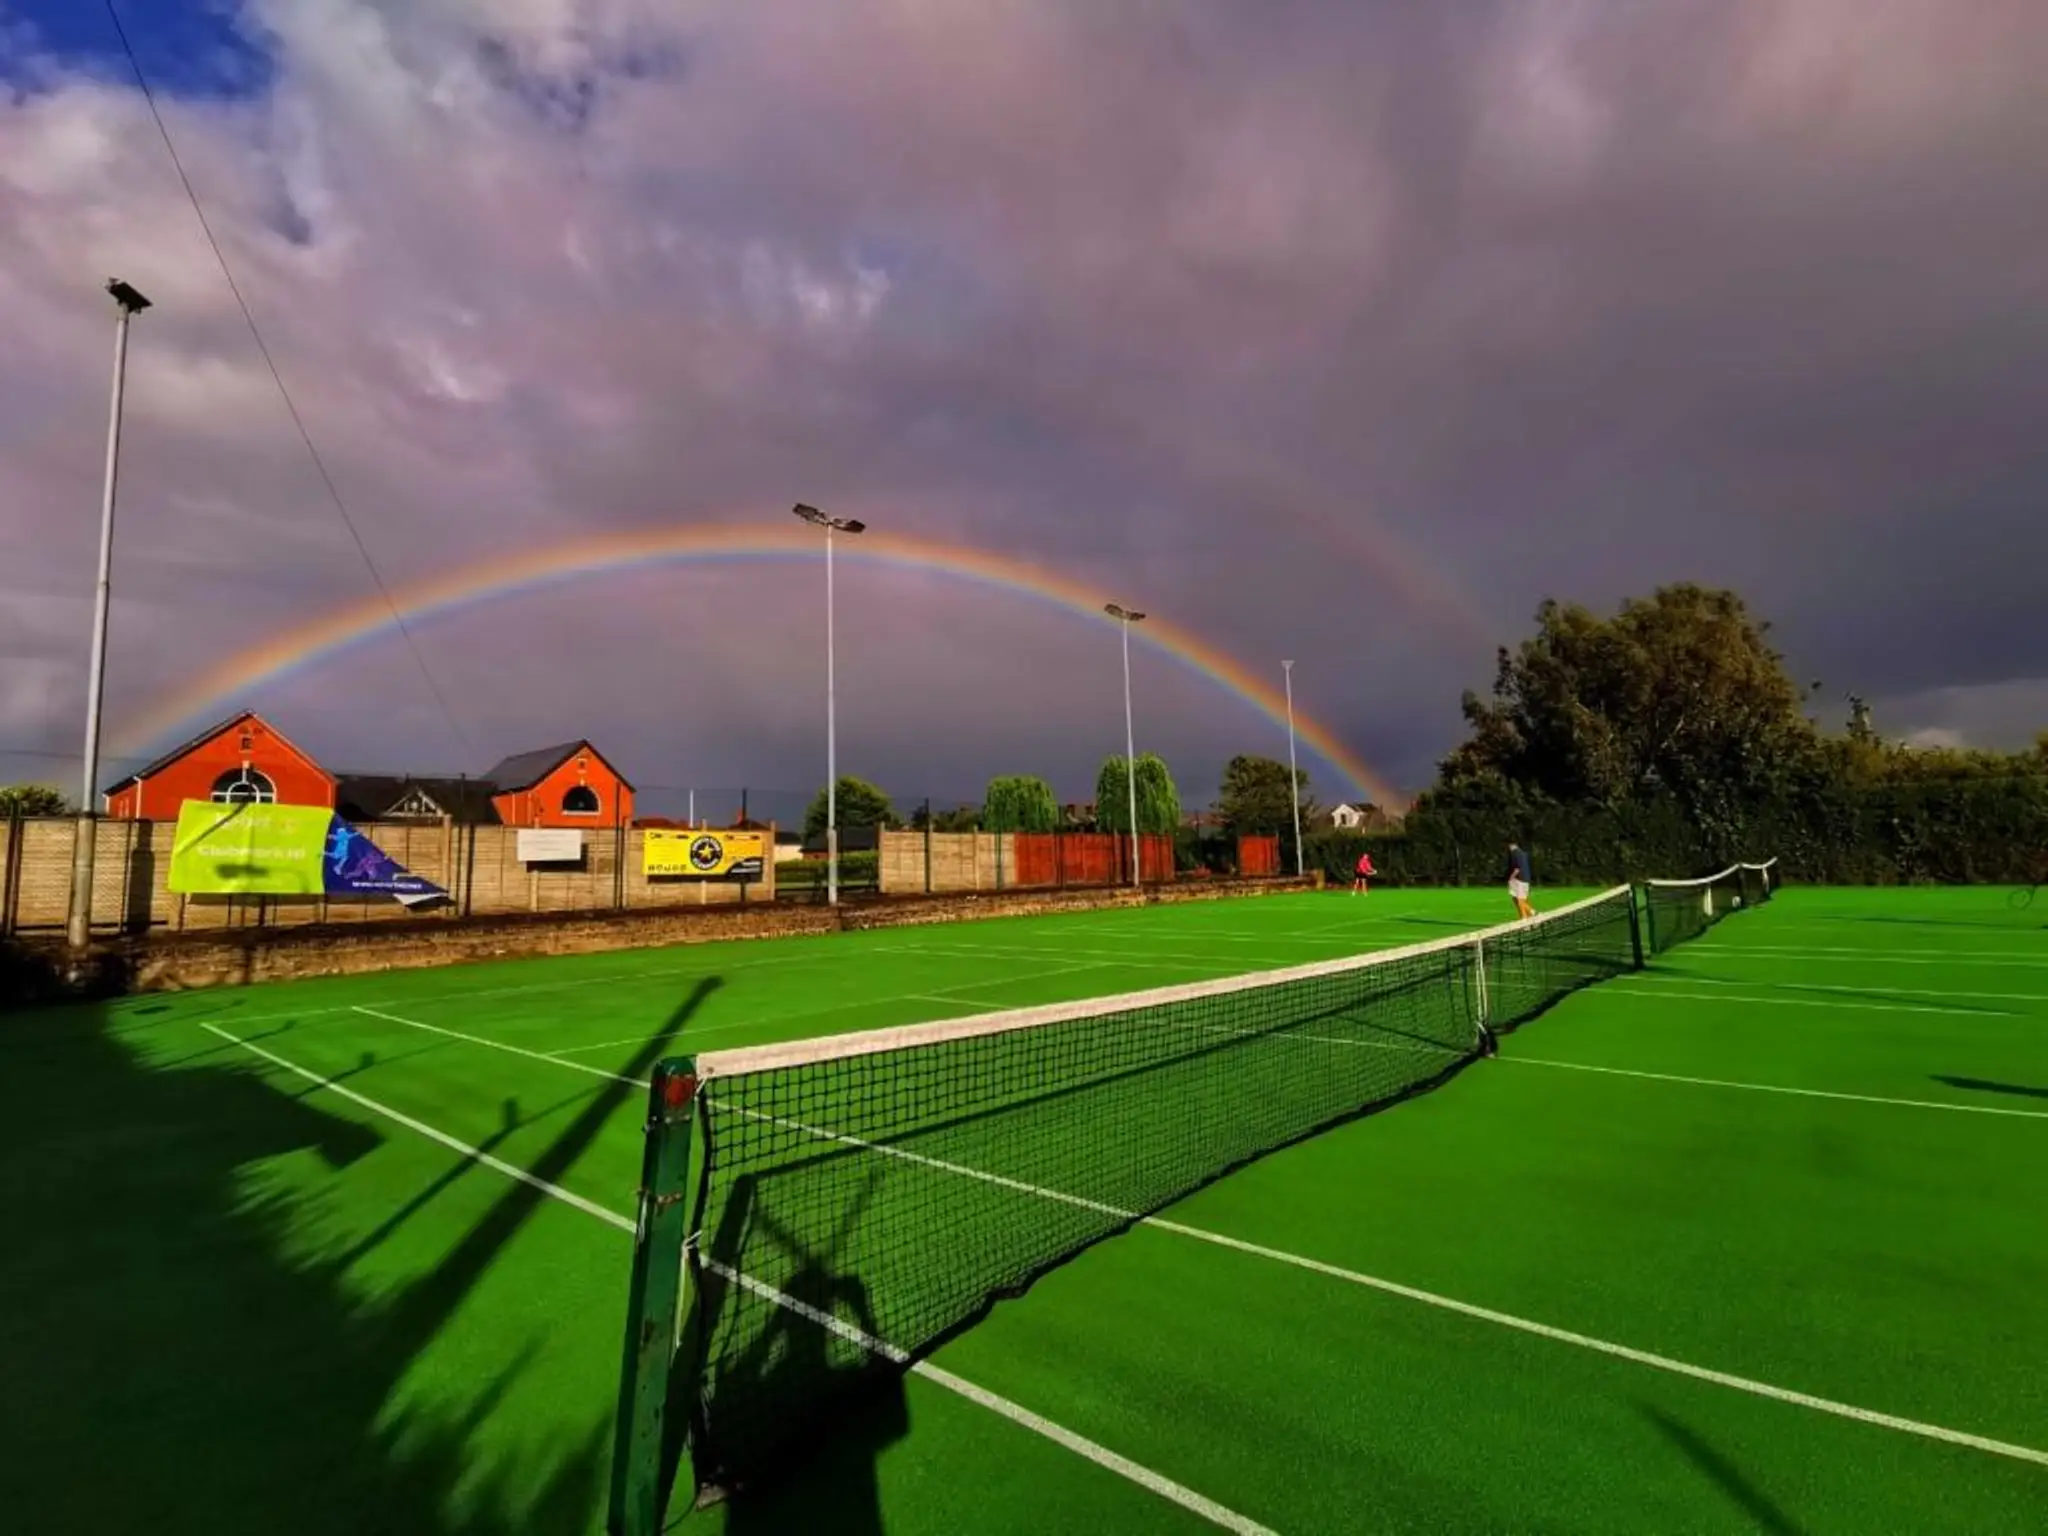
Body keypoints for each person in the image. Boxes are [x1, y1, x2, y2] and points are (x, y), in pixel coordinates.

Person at [1505, 840, 1534, 919]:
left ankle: (1532, 912)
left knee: (1519, 900)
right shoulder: (1523, 853)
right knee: (1521, 898)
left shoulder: (1514, 853)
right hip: (1526, 879)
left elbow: (1517, 868)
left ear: (1510, 845)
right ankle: (1524, 918)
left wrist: (1511, 878)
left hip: (1519, 879)